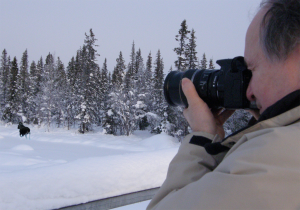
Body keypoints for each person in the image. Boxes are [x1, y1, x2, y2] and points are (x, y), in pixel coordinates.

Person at [147, 0, 300, 209]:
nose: (249, 92)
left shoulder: (270, 158)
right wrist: (269, 123)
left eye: (252, 70)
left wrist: (202, 137)